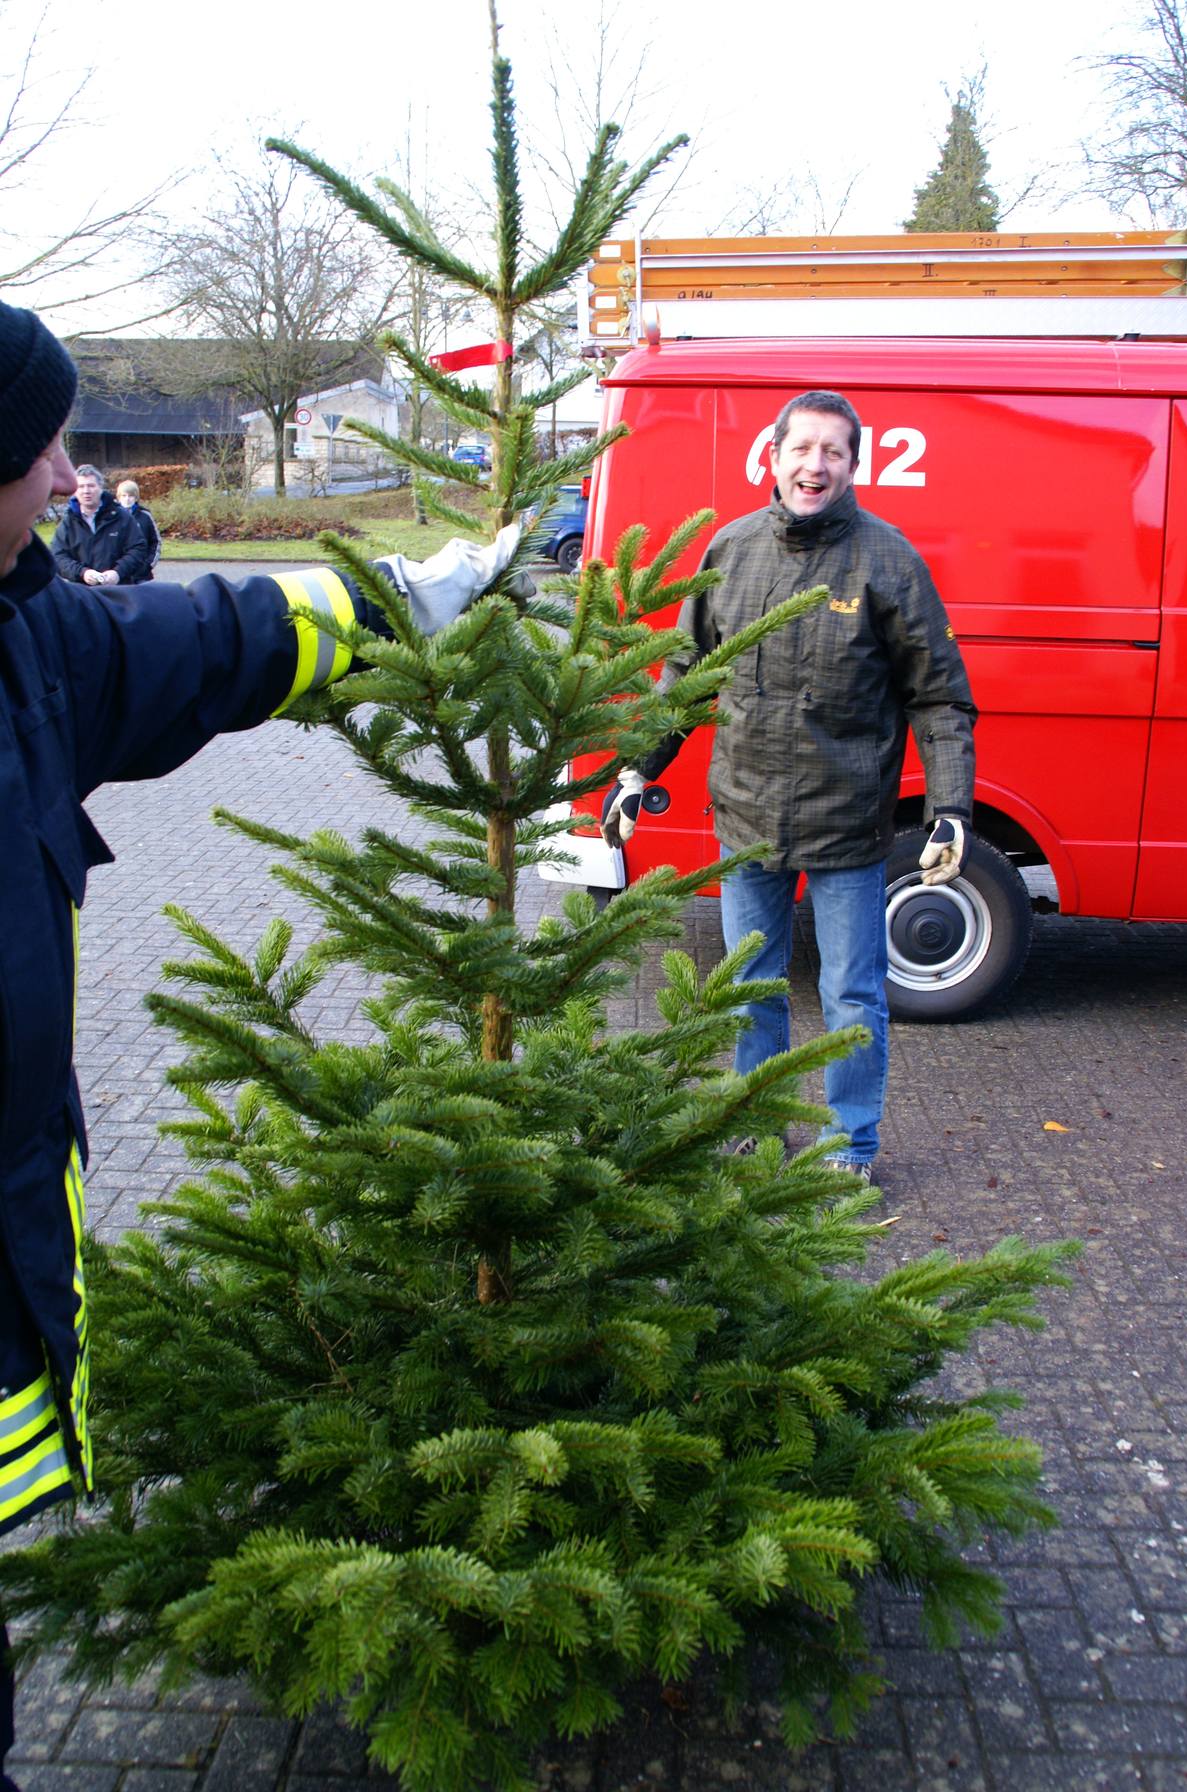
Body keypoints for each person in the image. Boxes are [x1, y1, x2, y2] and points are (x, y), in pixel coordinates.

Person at [0, 299, 522, 1791]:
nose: (62, 468)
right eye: (34, 443)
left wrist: (388, 604)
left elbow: (202, 637)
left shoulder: (27, 631)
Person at [602, 390, 976, 1180]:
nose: (816, 464)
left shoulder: (889, 561)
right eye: (802, 448)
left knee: (852, 999)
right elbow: (687, 676)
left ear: (853, 465)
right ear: (773, 457)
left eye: (834, 451)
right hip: (745, 817)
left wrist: (950, 809)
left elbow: (938, 695)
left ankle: (850, 1145)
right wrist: (639, 766)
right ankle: (755, 1122)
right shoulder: (730, 551)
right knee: (750, 988)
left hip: (846, 828)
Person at [50, 463, 148, 586]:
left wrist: (118, 572)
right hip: (82, 593)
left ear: (100, 488)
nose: (86, 491)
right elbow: (58, 556)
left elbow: (138, 549)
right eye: (81, 486)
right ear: (75, 491)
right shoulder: (68, 522)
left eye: (91, 486)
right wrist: (82, 573)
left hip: (119, 591)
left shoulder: (121, 517)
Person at [115, 477, 161, 580]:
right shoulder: (111, 517)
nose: (127, 499)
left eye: (131, 496)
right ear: (119, 497)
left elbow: (156, 542)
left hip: (142, 574)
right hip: (118, 573)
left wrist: (148, 565)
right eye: (124, 495)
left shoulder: (145, 516)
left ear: (136, 498)